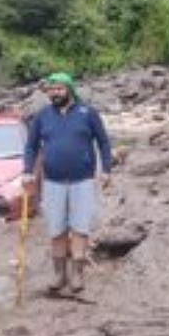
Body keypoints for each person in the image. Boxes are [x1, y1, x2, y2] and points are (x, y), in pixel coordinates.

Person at [22, 72, 113, 294]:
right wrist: (27, 171)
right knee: (56, 229)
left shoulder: (87, 113)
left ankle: (77, 275)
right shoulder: (42, 116)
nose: (55, 93)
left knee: (80, 228)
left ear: (70, 90)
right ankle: (59, 275)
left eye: (59, 89)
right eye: (52, 90)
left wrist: (107, 170)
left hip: (82, 180)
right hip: (52, 182)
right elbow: (31, 146)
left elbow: (103, 142)